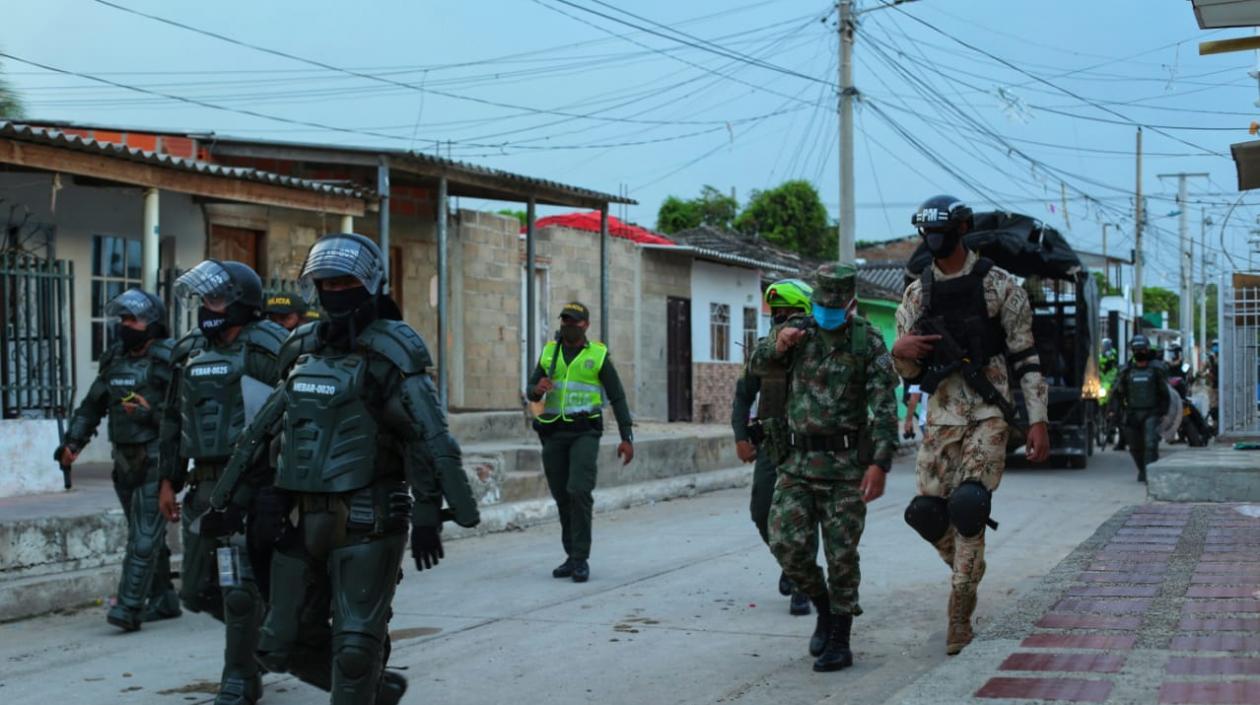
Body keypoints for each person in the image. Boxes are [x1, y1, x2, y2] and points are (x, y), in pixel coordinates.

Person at [205, 233, 479, 705]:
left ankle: (361, 683)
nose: (334, 291)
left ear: (370, 283)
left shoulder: (395, 352)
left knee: (354, 648)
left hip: (368, 517)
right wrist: (237, 498)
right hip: (298, 516)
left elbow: (427, 437)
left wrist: (434, 510)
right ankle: (373, 689)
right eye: (325, 282)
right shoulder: (302, 346)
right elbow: (268, 431)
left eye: (345, 281)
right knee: (276, 642)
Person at [893, 195, 1050, 657]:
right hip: (940, 416)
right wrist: (900, 350)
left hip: (988, 411)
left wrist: (1037, 421)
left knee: (968, 504)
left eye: (942, 231)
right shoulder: (916, 293)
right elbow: (906, 372)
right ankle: (968, 569)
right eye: (928, 233)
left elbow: (1027, 358)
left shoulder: (1001, 286)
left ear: (962, 229)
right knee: (924, 512)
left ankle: (959, 618)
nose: (934, 241)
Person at [750, 263, 898, 673]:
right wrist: (778, 345)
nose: (827, 312)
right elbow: (757, 366)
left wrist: (880, 463)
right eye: (821, 305)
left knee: (842, 556)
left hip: (846, 468)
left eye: (835, 306)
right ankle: (823, 607)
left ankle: (840, 639)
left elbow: (885, 406)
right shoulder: (797, 331)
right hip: (796, 464)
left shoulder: (865, 340)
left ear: (849, 304)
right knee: (785, 544)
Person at [157, 260, 287, 705]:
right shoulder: (189, 350)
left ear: (240, 303)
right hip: (203, 487)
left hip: (251, 485)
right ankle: (261, 639)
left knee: (238, 591)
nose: (206, 307)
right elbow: (172, 420)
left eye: (214, 299)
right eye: (204, 299)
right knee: (195, 591)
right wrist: (167, 481)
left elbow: (294, 415)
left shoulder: (270, 348)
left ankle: (240, 677)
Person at [56, 289, 179, 632]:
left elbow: (185, 414)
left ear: (152, 323)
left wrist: (150, 414)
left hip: (157, 458)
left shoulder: (168, 359)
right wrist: (73, 442)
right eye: (122, 319)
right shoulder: (115, 359)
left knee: (142, 536)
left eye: (133, 319)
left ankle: (128, 608)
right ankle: (165, 599)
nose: (125, 325)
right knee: (144, 533)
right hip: (123, 460)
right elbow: (93, 403)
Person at [526, 302, 634, 583]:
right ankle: (571, 555)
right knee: (562, 495)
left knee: (579, 490)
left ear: (585, 325)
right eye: (564, 320)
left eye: (573, 321)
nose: (567, 325)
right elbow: (531, 391)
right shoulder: (550, 353)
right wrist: (537, 389)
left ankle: (581, 558)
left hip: (585, 432)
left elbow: (618, 397)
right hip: (553, 432)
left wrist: (626, 437)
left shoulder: (597, 355)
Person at [731, 279, 816, 616]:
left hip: (810, 445)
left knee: (802, 516)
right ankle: (789, 560)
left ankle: (802, 585)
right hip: (772, 442)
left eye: (789, 314)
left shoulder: (819, 352)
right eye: (776, 315)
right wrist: (740, 435)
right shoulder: (766, 351)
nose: (782, 322)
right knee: (761, 509)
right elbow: (743, 393)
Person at [1107, 334, 1170, 483]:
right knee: (1135, 447)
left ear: (1148, 350)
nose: (1140, 352)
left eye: (1142, 349)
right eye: (1136, 350)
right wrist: (1112, 411)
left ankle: (1150, 474)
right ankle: (1143, 470)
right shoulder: (1126, 371)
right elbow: (1117, 393)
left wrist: (1164, 412)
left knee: (1150, 444)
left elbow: (1165, 393)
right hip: (1132, 414)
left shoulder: (1156, 369)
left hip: (1151, 413)